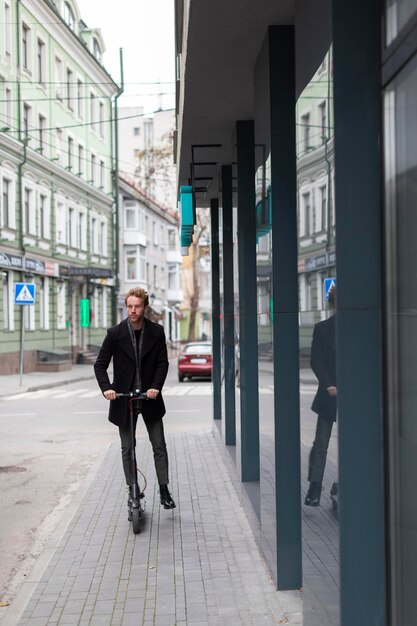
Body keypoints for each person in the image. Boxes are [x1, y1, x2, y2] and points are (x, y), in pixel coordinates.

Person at [94, 287, 176, 511]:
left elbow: (162, 363)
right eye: (129, 306)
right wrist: (107, 389)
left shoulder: (156, 332)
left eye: (137, 306)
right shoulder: (115, 333)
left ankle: (164, 489)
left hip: (149, 397)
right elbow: (100, 365)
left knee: (159, 444)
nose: (132, 310)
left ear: (144, 307)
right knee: (127, 448)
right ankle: (132, 488)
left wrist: (155, 387)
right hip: (124, 397)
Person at [304, 284, 337, 507]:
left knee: (355, 441)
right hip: (329, 393)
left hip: (355, 396)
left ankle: (348, 482)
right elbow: (316, 360)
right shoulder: (322, 328)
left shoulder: (359, 329)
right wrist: (328, 384)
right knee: (321, 443)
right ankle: (315, 486)